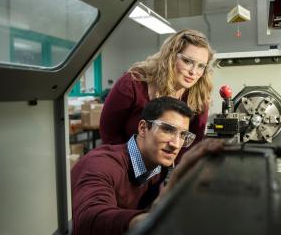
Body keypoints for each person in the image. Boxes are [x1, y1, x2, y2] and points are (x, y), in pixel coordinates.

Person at [72, 97, 224, 235]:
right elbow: (89, 217)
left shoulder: (160, 167)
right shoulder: (100, 163)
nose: (176, 145)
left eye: (183, 135)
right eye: (168, 130)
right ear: (143, 128)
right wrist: (150, 220)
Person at [99, 29, 214, 162]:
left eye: (201, 66)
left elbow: (194, 142)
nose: (193, 72)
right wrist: (130, 168)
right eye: (187, 61)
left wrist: (171, 168)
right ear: (170, 57)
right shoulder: (132, 84)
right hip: (126, 164)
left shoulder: (199, 96)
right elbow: (109, 133)